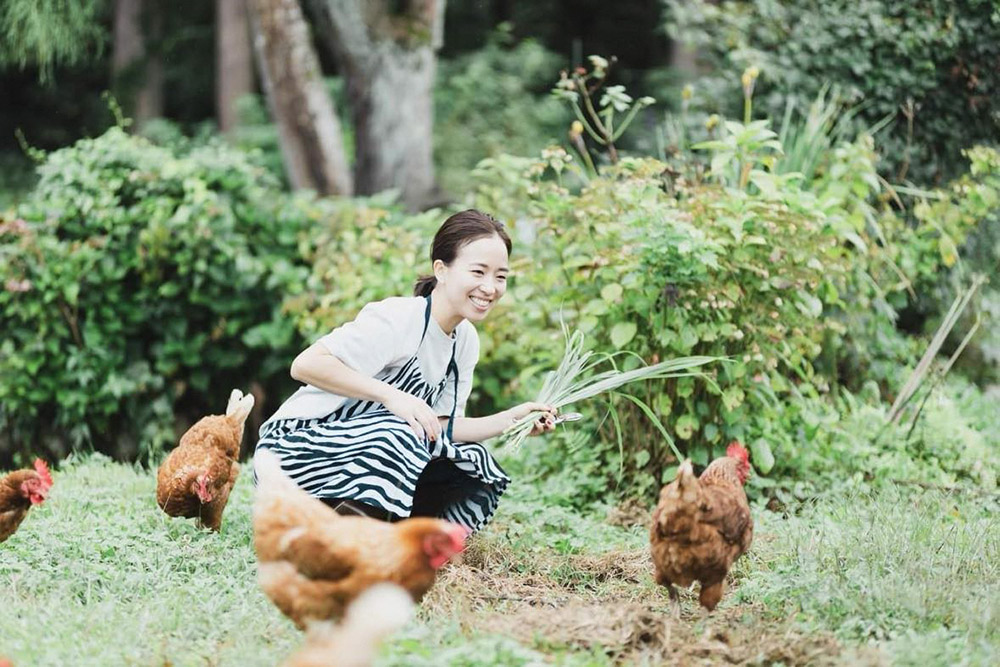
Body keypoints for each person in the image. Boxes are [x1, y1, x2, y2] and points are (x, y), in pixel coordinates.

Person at [255, 209, 557, 531]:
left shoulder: (464, 340)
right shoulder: (400, 318)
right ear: (441, 270)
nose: (490, 287)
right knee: (401, 432)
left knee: (470, 462)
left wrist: (511, 421)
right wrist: (391, 396)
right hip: (293, 450)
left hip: (371, 452)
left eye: (501, 276)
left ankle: (381, 528)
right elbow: (306, 364)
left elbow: (440, 427)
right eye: (478, 272)